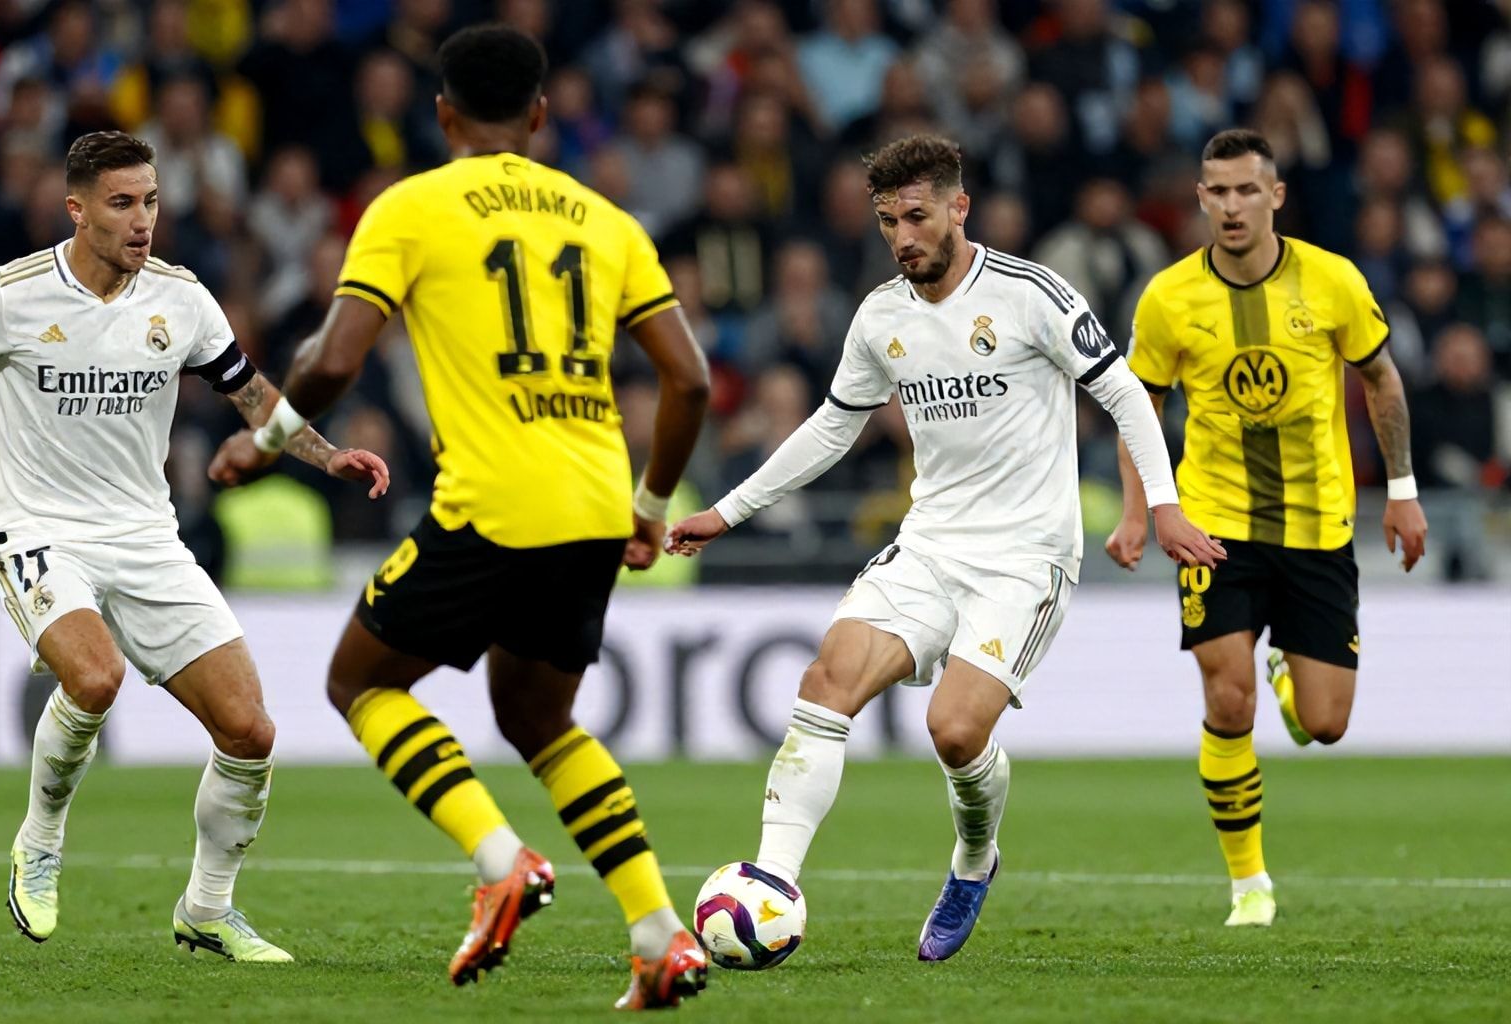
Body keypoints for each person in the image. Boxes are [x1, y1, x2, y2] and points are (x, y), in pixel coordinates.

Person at [209, 25, 711, 1009]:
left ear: (441, 114)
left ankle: (498, 859)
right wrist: (650, 504)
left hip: (493, 499)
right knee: (538, 718)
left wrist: (266, 438)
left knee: (359, 681)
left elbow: (334, 357)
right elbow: (688, 379)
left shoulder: (410, 207)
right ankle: (658, 933)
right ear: (540, 115)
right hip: (595, 499)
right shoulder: (608, 221)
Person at [667, 134, 1219, 962]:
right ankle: (772, 881)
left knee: (954, 732)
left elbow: (1125, 394)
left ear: (960, 208)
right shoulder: (881, 317)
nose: (902, 236)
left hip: (1025, 557)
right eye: (888, 221)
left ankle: (973, 857)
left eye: (917, 216)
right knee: (826, 682)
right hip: (929, 546)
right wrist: (729, 510)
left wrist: (1163, 508)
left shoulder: (1031, 294)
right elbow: (832, 428)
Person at [0, 130, 389, 961]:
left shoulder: (183, 299)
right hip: (35, 526)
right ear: (76, 210)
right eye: (121, 203)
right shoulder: (9, 295)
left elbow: (250, 392)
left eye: (150, 201)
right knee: (95, 676)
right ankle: (40, 842)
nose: (142, 219)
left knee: (249, 732)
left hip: (145, 534)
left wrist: (327, 455)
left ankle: (207, 909)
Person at [1107, 128, 1429, 927]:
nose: (1232, 206)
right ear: (1200, 198)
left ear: (1275, 196)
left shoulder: (1332, 280)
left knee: (1325, 724)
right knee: (1228, 699)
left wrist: (1402, 490)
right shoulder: (1168, 298)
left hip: (1318, 523)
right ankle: (1248, 883)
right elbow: (1137, 407)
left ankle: (1289, 664)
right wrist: (1140, 510)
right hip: (1212, 522)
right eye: (1217, 191)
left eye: (1247, 189)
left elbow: (1382, 379)